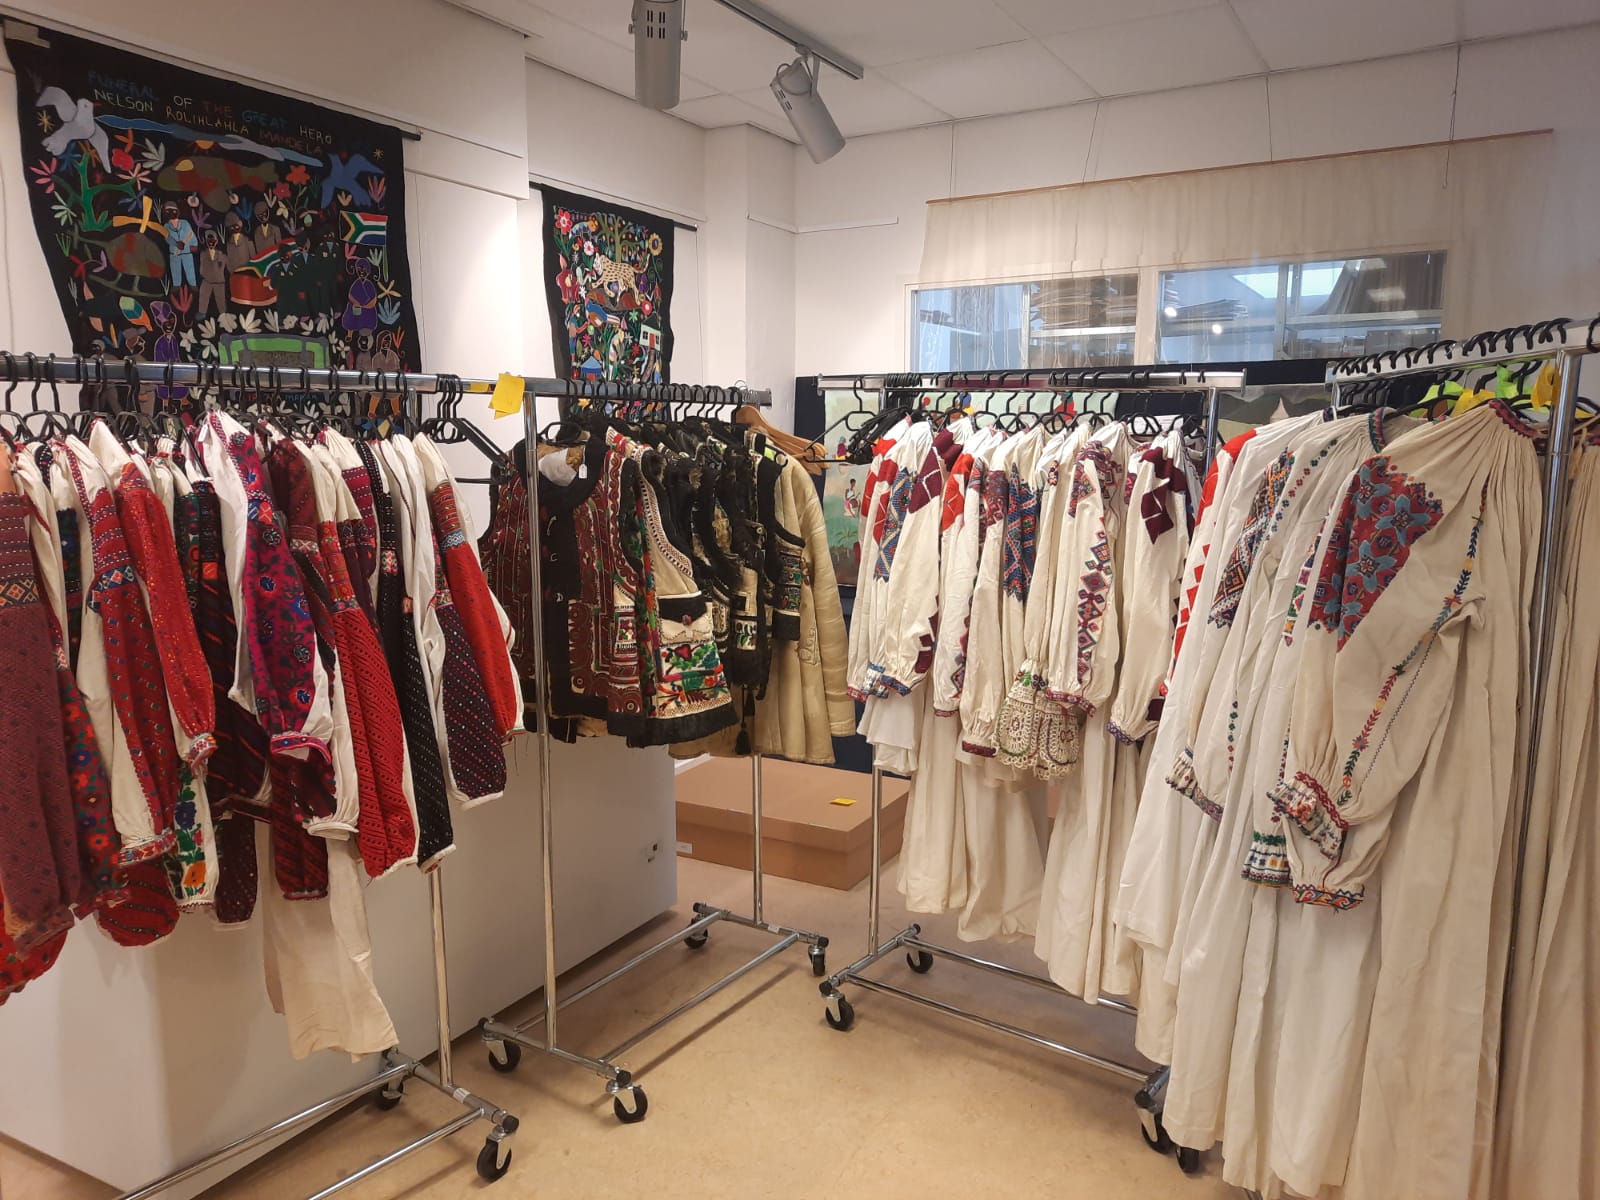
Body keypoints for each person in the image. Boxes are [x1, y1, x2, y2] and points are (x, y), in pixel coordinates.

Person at [163, 202, 198, 289]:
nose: (171, 213)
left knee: (190, 269)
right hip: (174, 252)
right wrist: (176, 244)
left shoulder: (185, 223)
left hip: (186, 252)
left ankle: (193, 285)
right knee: (175, 270)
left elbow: (191, 234)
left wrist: (194, 244)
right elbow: (167, 238)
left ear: (178, 211)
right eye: (168, 211)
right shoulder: (166, 226)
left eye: (173, 211)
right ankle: (176, 285)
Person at [198, 229, 227, 316]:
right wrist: (204, 275)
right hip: (207, 281)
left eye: (213, 240)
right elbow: (202, 268)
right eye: (209, 241)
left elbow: (227, 266)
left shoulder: (222, 255)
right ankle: (202, 312)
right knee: (203, 296)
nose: (211, 243)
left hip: (219, 281)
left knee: (221, 299)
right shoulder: (203, 254)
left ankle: (223, 314)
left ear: (216, 241)